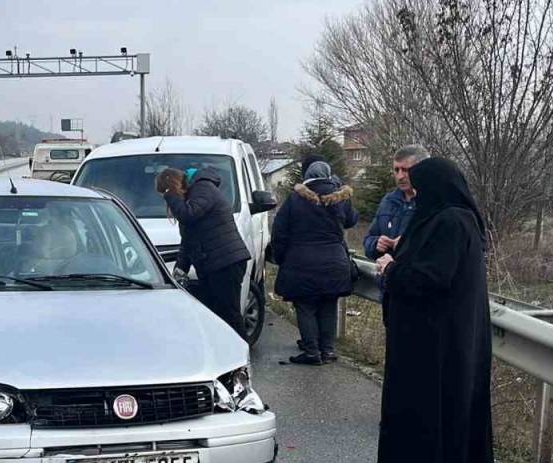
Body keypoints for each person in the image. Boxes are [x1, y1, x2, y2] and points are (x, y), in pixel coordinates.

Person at [373, 157, 494, 463]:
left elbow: (432, 278)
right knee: (422, 410)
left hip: (437, 341)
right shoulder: (450, 218)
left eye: (420, 187)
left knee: (432, 412)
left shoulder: (452, 221)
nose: (416, 194)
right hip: (430, 336)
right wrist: (399, 254)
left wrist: (392, 269)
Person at [271, 161, 358, 365]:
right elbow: (352, 220)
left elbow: (279, 231)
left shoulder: (294, 200)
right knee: (329, 304)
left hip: (301, 262)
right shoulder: (340, 198)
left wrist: (281, 257)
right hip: (335, 262)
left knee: (305, 306)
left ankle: (311, 352)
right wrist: (339, 187)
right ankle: (327, 351)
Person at [156, 166, 251, 339]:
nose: (166, 200)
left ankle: (241, 356)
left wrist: (170, 195)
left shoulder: (203, 188)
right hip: (215, 264)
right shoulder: (194, 197)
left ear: (173, 186)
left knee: (229, 314)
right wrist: (180, 269)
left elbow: (188, 215)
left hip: (225, 263)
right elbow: (189, 239)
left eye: (165, 193)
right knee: (216, 314)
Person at [363, 145, 430, 260]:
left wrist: (407, 244)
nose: (400, 176)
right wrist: (376, 244)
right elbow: (368, 239)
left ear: (421, 170)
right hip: (387, 275)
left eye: (405, 170)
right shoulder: (388, 201)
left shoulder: (431, 203)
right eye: (396, 170)